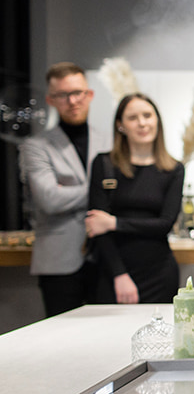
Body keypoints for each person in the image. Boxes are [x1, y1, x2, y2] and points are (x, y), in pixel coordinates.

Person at [18, 62, 112, 317]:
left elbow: (123, 193)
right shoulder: (36, 146)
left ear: (89, 94)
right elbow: (49, 199)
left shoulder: (110, 141)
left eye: (77, 93)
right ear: (50, 100)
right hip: (58, 260)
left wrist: (68, 190)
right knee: (62, 335)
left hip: (106, 257)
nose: (72, 101)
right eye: (62, 95)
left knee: (106, 333)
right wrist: (100, 190)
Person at [85, 93, 184, 304]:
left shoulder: (173, 169)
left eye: (147, 115)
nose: (142, 123)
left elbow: (165, 224)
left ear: (157, 120)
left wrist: (114, 223)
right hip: (113, 272)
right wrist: (119, 274)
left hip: (160, 273)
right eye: (132, 117)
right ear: (120, 125)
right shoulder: (104, 164)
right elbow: (97, 227)